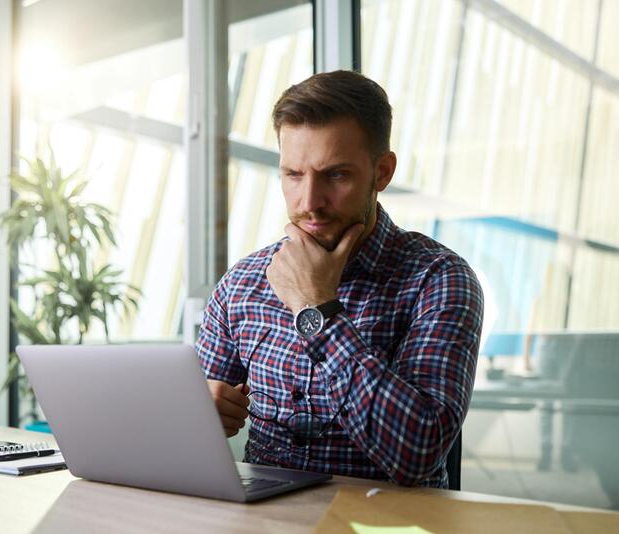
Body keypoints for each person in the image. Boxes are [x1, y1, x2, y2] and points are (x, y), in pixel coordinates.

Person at [196, 70, 484, 488]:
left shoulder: (439, 279)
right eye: (293, 175)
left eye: (335, 175)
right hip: (263, 514)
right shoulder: (243, 282)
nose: (310, 202)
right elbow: (194, 416)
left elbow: (418, 454)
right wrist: (202, 413)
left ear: (382, 172)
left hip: (384, 517)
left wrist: (315, 306)